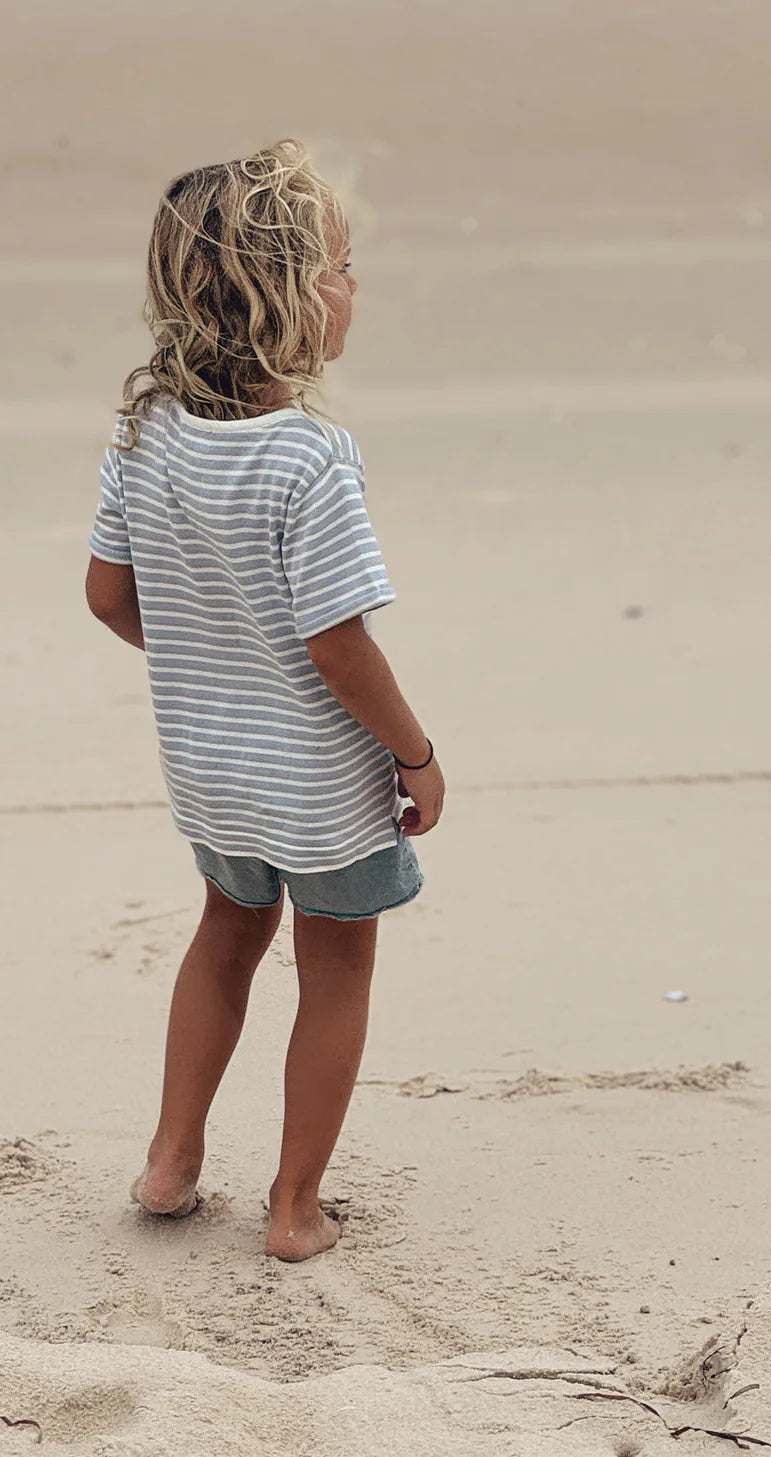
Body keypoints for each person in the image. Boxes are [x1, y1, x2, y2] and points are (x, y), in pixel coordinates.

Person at [84, 139, 445, 1262]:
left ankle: (170, 1159)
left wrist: (210, 661)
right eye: (339, 264)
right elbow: (337, 644)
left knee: (226, 934)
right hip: (317, 776)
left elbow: (106, 596)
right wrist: (416, 752)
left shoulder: (142, 432)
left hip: (208, 766)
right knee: (336, 961)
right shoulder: (309, 456)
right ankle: (294, 1207)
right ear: (286, 294)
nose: (353, 286)